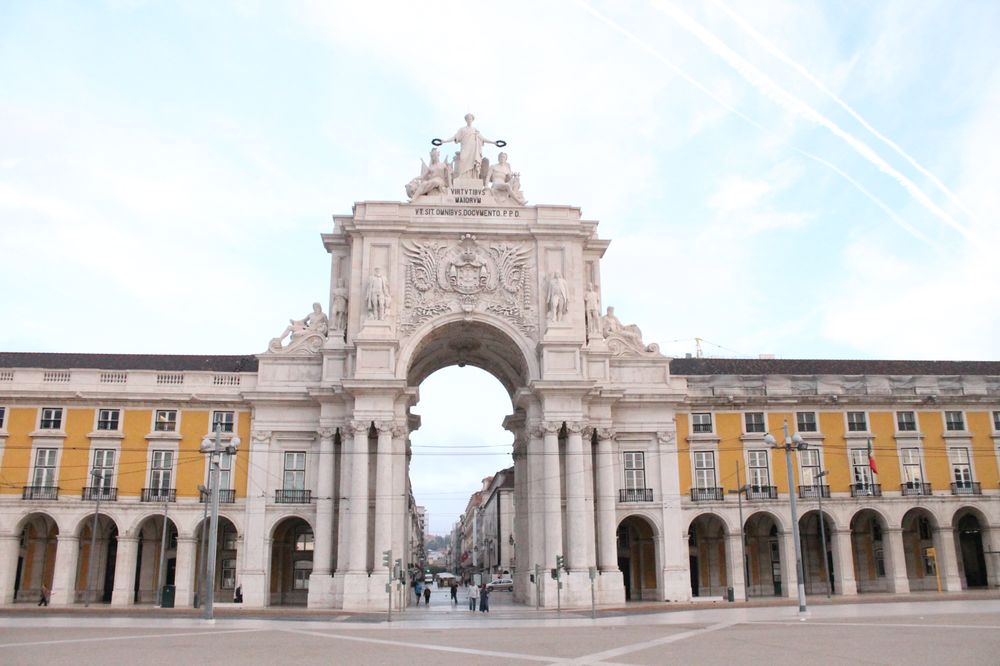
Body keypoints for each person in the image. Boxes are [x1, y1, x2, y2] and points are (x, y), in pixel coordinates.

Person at [438, 113, 497, 180]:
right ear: (466, 120)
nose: (469, 120)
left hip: (473, 150)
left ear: (472, 120)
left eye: (470, 118)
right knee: (462, 161)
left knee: (473, 164)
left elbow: (483, 138)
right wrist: (445, 141)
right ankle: (462, 178)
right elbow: (454, 137)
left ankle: (473, 178)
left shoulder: (475, 130)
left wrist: (493, 142)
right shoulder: (462, 129)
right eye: (468, 118)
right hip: (465, 149)